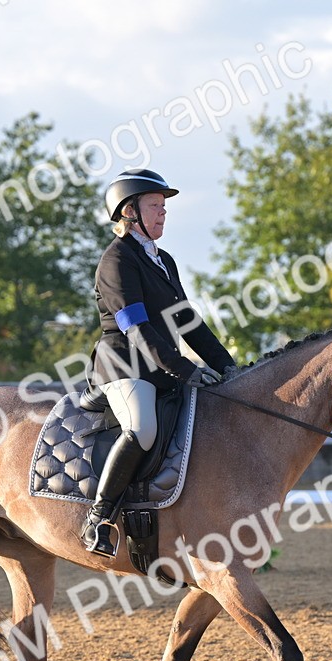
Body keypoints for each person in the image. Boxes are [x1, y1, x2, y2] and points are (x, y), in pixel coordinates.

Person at [80, 168, 237, 557]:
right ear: (129, 212)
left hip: (162, 367)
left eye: (164, 206)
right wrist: (185, 370)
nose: (163, 213)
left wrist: (229, 367)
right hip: (125, 365)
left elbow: (187, 322)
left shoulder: (162, 260)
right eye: (155, 205)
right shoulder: (116, 261)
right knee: (143, 429)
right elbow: (137, 330)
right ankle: (98, 519)